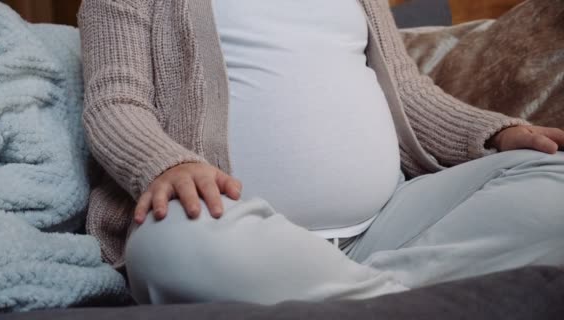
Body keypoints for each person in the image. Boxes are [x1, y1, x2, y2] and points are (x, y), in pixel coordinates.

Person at [77, 0, 564, 304]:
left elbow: (410, 95)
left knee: (553, 179)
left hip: (390, 224)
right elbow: (113, 101)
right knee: (169, 243)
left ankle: (355, 294)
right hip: (228, 225)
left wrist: (499, 133)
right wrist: (169, 163)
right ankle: (418, 298)